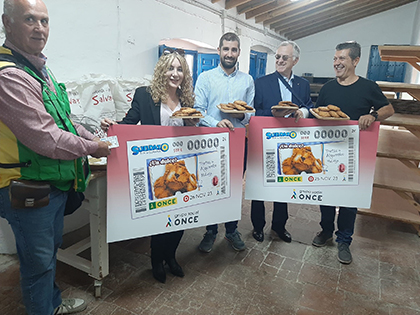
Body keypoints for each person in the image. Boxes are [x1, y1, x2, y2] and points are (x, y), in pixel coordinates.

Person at [0, 0, 111, 314]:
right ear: (7, 22)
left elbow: (64, 119)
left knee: (48, 256)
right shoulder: (9, 76)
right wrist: (94, 149)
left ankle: (53, 305)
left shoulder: (37, 68)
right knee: (38, 266)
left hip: (51, 185)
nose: (39, 28)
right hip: (26, 188)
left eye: (44, 21)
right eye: (30, 19)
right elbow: (46, 138)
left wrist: (92, 137)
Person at [101, 49, 198, 284]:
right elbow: (129, 123)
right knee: (161, 215)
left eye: (179, 69)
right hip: (156, 165)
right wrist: (112, 126)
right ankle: (157, 260)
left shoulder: (187, 100)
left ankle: (171, 257)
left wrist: (194, 124)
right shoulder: (144, 95)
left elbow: (191, 133)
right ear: (161, 70)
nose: (175, 74)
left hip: (181, 165)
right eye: (170, 68)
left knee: (181, 214)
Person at [312, 41, 394, 264]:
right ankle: (326, 231)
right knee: (326, 195)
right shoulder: (328, 88)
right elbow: (317, 114)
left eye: (342, 59)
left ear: (356, 61)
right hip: (328, 153)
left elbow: (389, 108)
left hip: (354, 154)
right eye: (335, 59)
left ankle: (345, 240)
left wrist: (374, 116)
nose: (337, 63)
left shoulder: (368, 87)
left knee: (349, 199)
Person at [194, 32, 254, 253]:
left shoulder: (247, 80)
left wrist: (239, 116)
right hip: (211, 141)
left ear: (239, 52)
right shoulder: (205, 78)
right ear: (219, 50)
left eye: (234, 49)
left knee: (233, 187)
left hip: (238, 142)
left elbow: (249, 114)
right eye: (226, 49)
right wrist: (215, 122)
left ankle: (231, 229)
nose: (230, 54)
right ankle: (210, 231)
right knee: (212, 186)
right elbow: (198, 111)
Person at [251, 41, 313, 243]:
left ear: (295, 60)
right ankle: (257, 226)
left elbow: (310, 106)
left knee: (284, 185)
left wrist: (302, 112)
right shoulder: (261, 82)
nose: (279, 60)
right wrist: (272, 113)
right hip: (265, 141)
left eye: (284, 57)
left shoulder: (302, 85)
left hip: (290, 144)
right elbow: (253, 113)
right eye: (277, 56)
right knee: (259, 185)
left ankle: (279, 225)